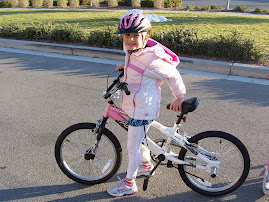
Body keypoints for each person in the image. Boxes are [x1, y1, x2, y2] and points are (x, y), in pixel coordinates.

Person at [107, 13, 186, 197]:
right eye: (127, 35)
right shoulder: (132, 50)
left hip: (142, 108)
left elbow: (173, 75)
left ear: (146, 37)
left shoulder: (151, 59)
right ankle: (146, 166)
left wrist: (179, 97)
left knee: (132, 147)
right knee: (139, 139)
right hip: (135, 104)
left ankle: (129, 184)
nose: (131, 39)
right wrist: (125, 67)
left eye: (136, 35)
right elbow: (134, 62)